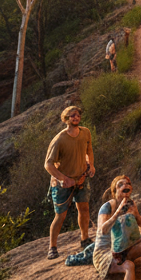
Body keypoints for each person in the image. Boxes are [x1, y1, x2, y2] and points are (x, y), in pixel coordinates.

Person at [44, 105, 96, 260]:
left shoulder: (85, 132)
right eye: (72, 116)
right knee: (60, 216)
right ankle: (52, 247)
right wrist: (63, 179)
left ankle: (84, 239)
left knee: (84, 209)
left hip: (81, 178)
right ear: (66, 119)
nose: (76, 117)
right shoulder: (59, 139)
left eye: (77, 115)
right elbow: (48, 164)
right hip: (62, 184)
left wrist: (91, 165)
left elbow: (89, 150)